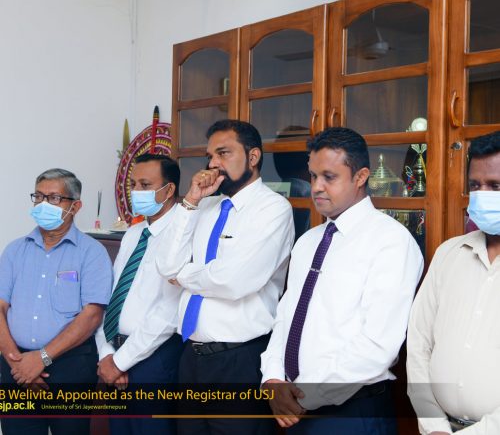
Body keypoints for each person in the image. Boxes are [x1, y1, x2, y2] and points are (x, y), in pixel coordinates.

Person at [261, 127, 424, 435]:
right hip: (294, 407)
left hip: (351, 412)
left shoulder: (390, 242)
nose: (317, 187)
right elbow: (286, 317)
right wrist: (272, 379)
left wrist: (304, 396)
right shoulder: (308, 242)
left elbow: (378, 345)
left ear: (361, 177)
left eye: (329, 177)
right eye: (313, 176)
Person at [157, 119, 295, 435]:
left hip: (238, 361)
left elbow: (234, 281)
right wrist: (191, 200)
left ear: (253, 157)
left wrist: (184, 274)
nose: (213, 164)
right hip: (190, 357)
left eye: (223, 153)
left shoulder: (273, 209)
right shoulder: (204, 206)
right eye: (210, 156)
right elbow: (165, 265)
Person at [0, 168, 113, 435]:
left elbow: (92, 315)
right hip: (15, 365)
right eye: (38, 197)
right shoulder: (15, 250)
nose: (43, 204)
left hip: (70, 368)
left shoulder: (92, 253)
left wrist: (41, 359)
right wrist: (17, 363)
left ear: (75, 206)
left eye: (53, 198)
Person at [407, 130, 500, 434]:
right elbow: (418, 344)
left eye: (495, 186)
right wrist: (434, 426)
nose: (482, 195)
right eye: (475, 185)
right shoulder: (449, 253)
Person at [95, 153, 184, 435]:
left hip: (153, 360)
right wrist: (107, 354)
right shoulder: (134, 233)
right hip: (115, 354)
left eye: (145, 185)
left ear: (168, 190)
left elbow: (169, 313)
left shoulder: (183, 235)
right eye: (133, 184)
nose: (136, 192)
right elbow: (112, 297)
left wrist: (121, 362)